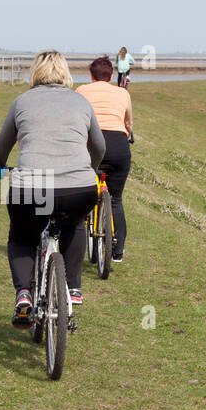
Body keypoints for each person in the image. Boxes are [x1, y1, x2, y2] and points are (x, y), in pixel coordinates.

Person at [0, 50, 105, 325]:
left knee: (21, 238)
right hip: (79, 188)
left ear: (35, 73)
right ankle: (74, 288)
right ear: (65, 73)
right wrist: (93, 168)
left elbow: (3, 144)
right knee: (75, 224)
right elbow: (99, 146)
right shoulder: (81, 101)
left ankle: (24, 295)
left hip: (31, 188)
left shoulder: (22, 102)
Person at [77, 55, 133, 262]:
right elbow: (128, 122)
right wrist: (129, 134)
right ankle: (118, 251)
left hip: (92, 144)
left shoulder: (82, 90)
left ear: (91, 75)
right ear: (111, 76)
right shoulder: (122, 92)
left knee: (82, 192)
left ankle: (80, 230)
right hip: (118, 144)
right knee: (116, 199)